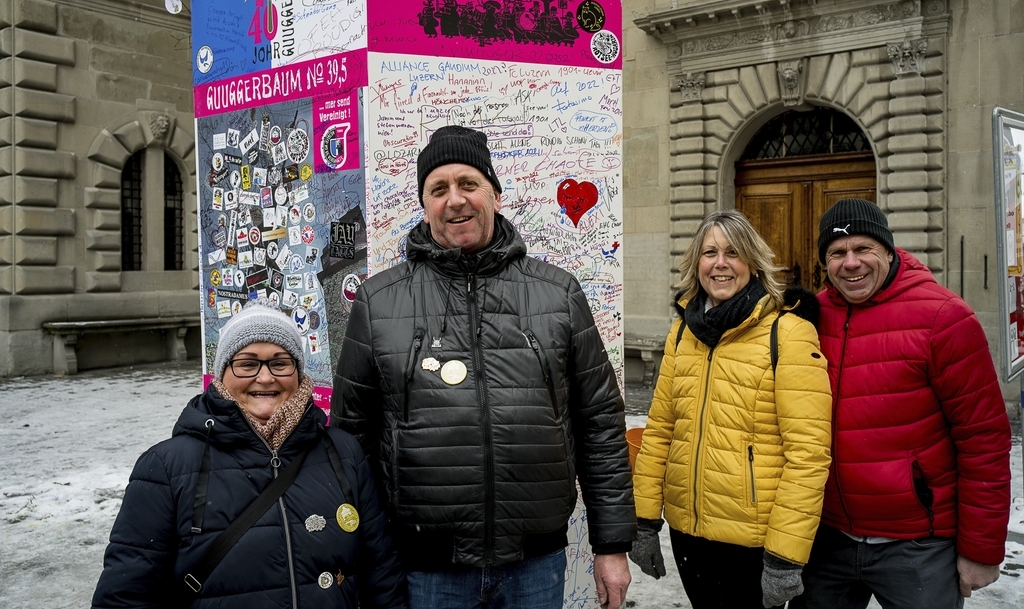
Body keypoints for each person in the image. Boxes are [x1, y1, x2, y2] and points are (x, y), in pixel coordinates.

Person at [331, 125, 636, 609]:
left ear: (494, 192)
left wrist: (613, 544)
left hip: (535, 565)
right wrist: (363, 551)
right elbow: (351, 441)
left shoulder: (558, 293)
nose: (455, 200)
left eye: (468, 184)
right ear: (425, 203)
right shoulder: (379, 300)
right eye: (439, 189)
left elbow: (599, 424)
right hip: (425, 569)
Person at [92, 301, 405, 609]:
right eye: (247, 363)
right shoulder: (166, 467)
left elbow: (381, 573)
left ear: (297, 372)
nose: (265, 377)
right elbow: (126, 594)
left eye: (280, 362)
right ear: (223, 373)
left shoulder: (343, 453)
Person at [790, 198, 1013, 609]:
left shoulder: (944, 318)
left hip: (918, 545)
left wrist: (982, 549)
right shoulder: (809, 318)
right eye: (837, 253)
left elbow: (983, 439)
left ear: (889, 251)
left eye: (863, 249)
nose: (851, 263)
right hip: (826, 539)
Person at [630, 209, 832, 609]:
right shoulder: (683, 332)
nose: (720, 264)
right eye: (709, 253)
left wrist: (784, 558)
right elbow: (659, 432)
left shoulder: (787, 332)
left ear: (753, 264)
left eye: (733, 252)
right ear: (696, 264)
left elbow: (808, 455)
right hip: (689, 532)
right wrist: (645, 521)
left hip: (754, 544)